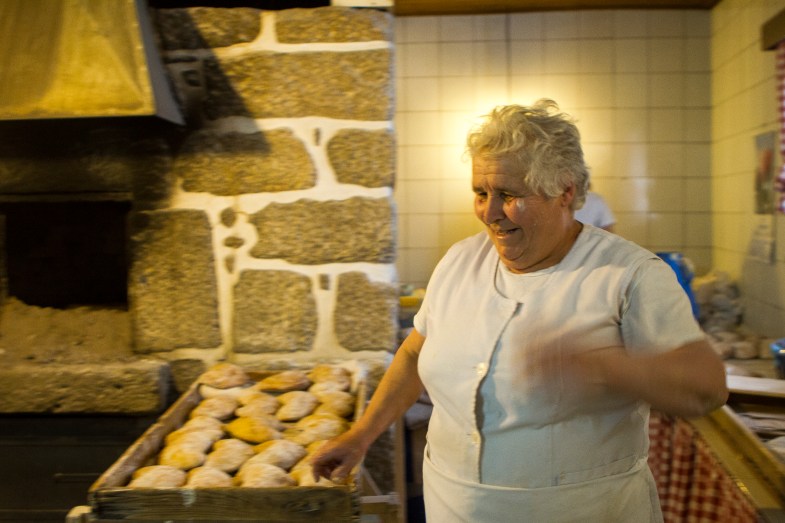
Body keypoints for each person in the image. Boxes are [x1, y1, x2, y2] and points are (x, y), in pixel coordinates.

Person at [310, 100, 728, 522]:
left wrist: (602, 366)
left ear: (565, 192)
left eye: (509, 196)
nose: (489, 213)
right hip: (453, 505)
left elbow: (707, 388)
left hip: (580, 511)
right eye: (480, 193)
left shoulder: (629, 274)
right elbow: (415, 353)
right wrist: (361, 435)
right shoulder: (459, 261)